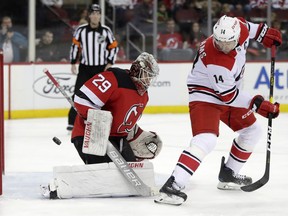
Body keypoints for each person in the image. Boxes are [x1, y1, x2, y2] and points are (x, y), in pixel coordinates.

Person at [154, 15, 282, 206]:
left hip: (228, 91)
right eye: (218, 41)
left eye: (227, 42)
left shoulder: (238, 26)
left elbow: (250, 27)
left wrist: (263, 33)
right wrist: (257, 103)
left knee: (252, 131)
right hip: (205, 96)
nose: (222, 46)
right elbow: (229, 97)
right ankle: (173, 185)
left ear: (237, 36)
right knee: (206, 139)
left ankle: (229, 174)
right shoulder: (217, 61)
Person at [41, 52, 163, 199]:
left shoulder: (144, 96)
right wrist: (95, 118)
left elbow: (125, 124)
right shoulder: (114, 78)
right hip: (90, 135)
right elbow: (81, 99)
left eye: (151, 77)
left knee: (129, 175)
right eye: (146, 75)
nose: (148, 80)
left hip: (116, 139)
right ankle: (59, 186)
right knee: (106, 175)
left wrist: (138, 136)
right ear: (136, 70)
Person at [67, 4, 119, 132]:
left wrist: (110, 62)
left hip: (101, 69)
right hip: (85, 68)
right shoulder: (81, 30)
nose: (95, 16)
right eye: (93, 13)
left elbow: (114, 47)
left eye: (97, 13)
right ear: (89, 15)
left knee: (103, 96)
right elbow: (75, 46)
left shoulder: (106, 31)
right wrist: (73, 62)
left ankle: (103, 123)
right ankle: (72, 122)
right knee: (78, 94)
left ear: (100, 15)